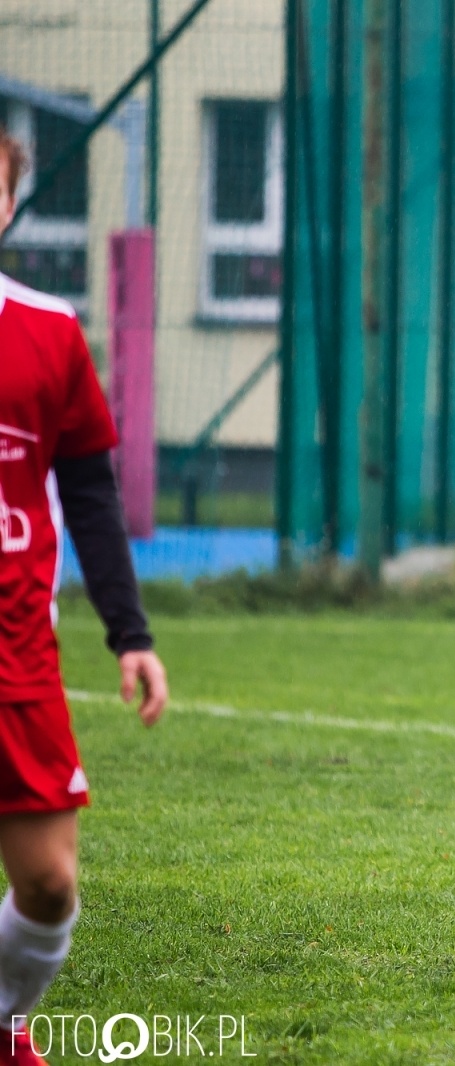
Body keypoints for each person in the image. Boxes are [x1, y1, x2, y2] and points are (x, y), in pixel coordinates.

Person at [0, 128, 168, 1064]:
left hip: (16, 655)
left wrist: (130, 634)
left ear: (9, 205)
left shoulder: (48, 333)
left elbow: (92, 497)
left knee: (50, 886)